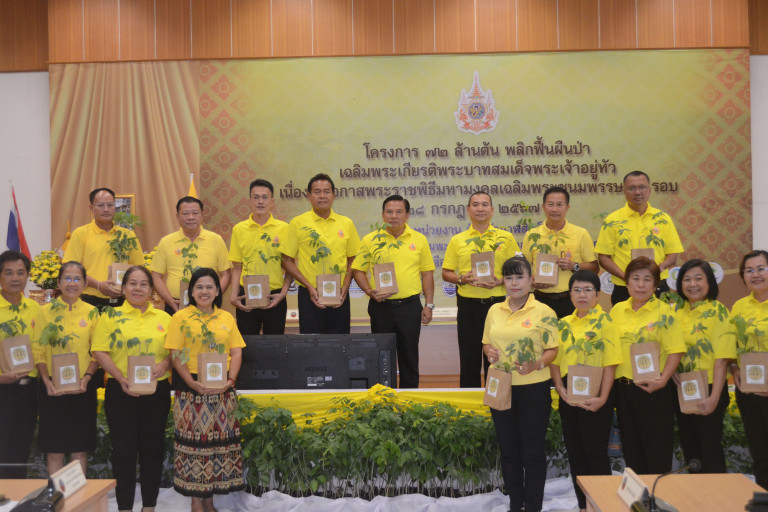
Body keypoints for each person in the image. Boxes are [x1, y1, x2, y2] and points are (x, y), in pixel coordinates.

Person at [92, 265, 172, 512]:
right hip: (121, 391)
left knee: (152, 451)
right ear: (124, 287)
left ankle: (149, 507)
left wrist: (165, 364)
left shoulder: (165, 318)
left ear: (151, 290)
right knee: (123, 452)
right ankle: (124, 507)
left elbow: (177, 353)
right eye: (133, 283)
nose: (138, 288)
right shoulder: (110, 316)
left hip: (156, 392)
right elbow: (99, 350)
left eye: (144, 284)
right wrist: (119, 378)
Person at [482, 256, 558, 512]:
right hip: (500, 385)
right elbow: (486, 342)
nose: (514, 283)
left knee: (532, 452)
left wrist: (536, 364)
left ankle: (533, 506)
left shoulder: (544, 312)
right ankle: (515, 504)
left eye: (519, 277)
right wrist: (490, 352)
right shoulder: (494, 310)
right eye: (509, 277)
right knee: (508, 451)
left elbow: (552, 350)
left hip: (533, 389)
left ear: (531, 280)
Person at [165, 268, 245, 512]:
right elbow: (175, 353)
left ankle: (209, 499)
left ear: (218, 291)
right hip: (191, 389)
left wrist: (230, 381)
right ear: (191, 291)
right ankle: (195, 501)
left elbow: (236, 352)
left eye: (209, 286)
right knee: (193, 448)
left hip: (223, 389)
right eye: (199, 287)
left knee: (216, 447)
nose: (204, 291)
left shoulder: (227, 318)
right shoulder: (180, 317)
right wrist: (192, 383)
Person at [550, 270, 621, 512]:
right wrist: (560, 388)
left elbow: (611, 363)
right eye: (577, 290)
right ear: (570, 294)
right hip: (569, 392)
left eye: (588, 290)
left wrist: (603, 397)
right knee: (576, 453)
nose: (582, 295)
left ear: (597, 295)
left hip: (597, 392)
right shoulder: (562, 324)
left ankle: (603, 506)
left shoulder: (606, 322)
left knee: (596, 453)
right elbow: (555, 361)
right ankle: (583, 506)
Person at [352, 195, 435, 388]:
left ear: (407, 215)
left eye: (399, 212)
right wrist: (369, 291)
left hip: (410, 307)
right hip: (381, 307)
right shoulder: (370, 239)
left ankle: (409, 397)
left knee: (409, 356)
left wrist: (429, 305)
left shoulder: (419, 239)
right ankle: (383, 398)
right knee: (381, 356)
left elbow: (427, 274)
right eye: (389, 212)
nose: (394, 216)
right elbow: (358, 271)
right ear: (383, 215)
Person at [611, 257, 684, 474]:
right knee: (631, 450)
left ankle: (656, 494)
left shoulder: (664, 311)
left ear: (655, 285)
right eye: (636, 279)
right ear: (627, 283)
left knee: (657, 451)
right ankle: (638, 494)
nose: (641, 285)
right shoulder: (616, 311)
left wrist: (663, 380)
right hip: (624, 390)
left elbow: (676, 350)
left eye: (647, 279)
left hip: (655, 390)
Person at [442, 192, 518, 387]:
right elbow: (446, 273)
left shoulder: (506, 238)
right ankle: (470, 401)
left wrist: (500, 281)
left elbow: (517, 271)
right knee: (469, 358)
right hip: (469, 306)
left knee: (497, 356)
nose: (480, 208)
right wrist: (461, 278)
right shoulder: (458, 240)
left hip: (499, 305)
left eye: (485, 204)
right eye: (475, 205)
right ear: (468, 210)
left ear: (492, 210)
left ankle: (498, 400)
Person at [32, 261, 100, 475]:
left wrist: (87, 378)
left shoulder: (92, 312)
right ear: (59, 282)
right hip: (53, 388)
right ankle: (57, 496)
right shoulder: (45, 312)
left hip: (82, 386)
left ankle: (77, 496)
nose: (72, 283)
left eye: (77, 279)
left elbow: (97, 351)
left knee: (80, 450)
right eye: (67, 278)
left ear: (85, 283)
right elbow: (38, 350)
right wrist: (46, 381)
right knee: (55, 451)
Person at [670, 259, 735, 474]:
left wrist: (714, 397)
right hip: (683, 388)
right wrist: (672, 371)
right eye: (687, 279)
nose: (692, 284)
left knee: (710, 448)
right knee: (691, 448)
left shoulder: (718, 311)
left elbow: (722, 359)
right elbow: (670, 349)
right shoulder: (676, 313)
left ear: (709, 282)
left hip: (709, 387)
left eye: (698, 278)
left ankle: (716, 494)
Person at [281, 173, 360, 334]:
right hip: (309, 294)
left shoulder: (346, 223)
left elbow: (353, 259)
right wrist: (309, 287)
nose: (322, 196)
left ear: (334, 195)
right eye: (317, 192)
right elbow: (286, 260)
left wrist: (345, 287)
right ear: (309, 195)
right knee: (312, 344)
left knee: (340, 343)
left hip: (339, 293)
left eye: (326, 191)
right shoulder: (297, 223)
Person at [595, 171, 683, 304]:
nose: (637, 192)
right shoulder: (612, 220)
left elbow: (672, 254)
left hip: (657, 285)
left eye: (642, 187)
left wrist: (660, 268)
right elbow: (603, 258)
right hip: (624, 287)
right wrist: (627, 278)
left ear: (649, 190)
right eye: (632, 188)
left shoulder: (663, 219)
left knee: (659, 318)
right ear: (624, 191)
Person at [522, 186, 598, 318]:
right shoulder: (532, 235)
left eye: (559, 205)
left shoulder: (580, 234)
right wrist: (531, 280)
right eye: (550, 204)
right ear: (543, 207)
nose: (554, 209)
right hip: (539, 299)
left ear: (567, 207)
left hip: (570, 300)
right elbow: (522, 268)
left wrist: (574, 265)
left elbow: (594, 268)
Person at [63, 188, 144, 310]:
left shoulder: (128, 235)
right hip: (89, 301)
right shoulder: (81, 234)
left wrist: (127, 286)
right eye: (101, 205)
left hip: (123, 301)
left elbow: (138, 269)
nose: (106, 209)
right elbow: (71, 270)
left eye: (110, 205)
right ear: (91, 208)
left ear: (115, 207)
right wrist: (98, 285)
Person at [229, 179, 292, 335]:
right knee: (248, 343)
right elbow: (237, 267)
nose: (260, 201)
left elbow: (290, 266)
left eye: (265, 197)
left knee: (275, 344)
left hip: (275, 295)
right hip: (246, 294)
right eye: (256, 197)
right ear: (250, 201)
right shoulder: (239, 229)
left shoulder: (284, 228)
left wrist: (283, 294)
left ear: (272, 202)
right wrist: (234, 295)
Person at [151, 196, 232, 315]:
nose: (191, 217)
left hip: (208, 303)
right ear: (177, 216)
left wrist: (214, 297)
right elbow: (156, 276)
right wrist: (171, 302)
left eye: (195, 213)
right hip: (176, 304)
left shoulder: (216, 240)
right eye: (185, 213)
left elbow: (226, 274)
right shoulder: (166, 242)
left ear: (202, 215)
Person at [0, 250, 41, 478]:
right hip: (2, 388)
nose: (15, 278)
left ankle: (15, 495)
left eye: (20, 272)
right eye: (9, 273)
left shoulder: (35, 309)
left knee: (21, 449)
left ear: (27, 276)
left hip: (28, 390)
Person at [730, 250, 768, 490]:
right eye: (749, 270)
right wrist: (734, 368)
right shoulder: (739, 307)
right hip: (749, 391)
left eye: (761, 269)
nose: (755, 274)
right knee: (760, 451)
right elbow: (730, 345)